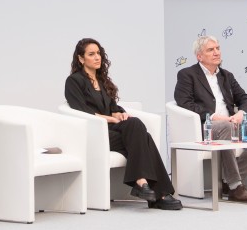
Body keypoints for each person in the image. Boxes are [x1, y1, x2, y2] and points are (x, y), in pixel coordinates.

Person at [65, 38, 182, 210]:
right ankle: (159, 193)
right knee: (144, 137)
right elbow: (81, 110)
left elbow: (112, 107)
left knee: (135, 124)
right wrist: (109, 118)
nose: (97, 57)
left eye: (98, 53)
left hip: (110, 129)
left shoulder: (102, 80)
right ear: (81, 59)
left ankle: (143, 184)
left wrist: (118, 112)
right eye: (91, 54)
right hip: (94, 132)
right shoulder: (74, 81)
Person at [174, 35, 247, 203]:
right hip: (208, 126)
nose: (216, 52)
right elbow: (184, 102)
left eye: (218, 48)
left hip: (232, 123)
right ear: (199, 56)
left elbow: (246, 99)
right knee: (224, 128)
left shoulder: (226, 76)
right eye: (211, 50)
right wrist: (211, 116)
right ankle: (236, 187)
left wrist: (241, 114)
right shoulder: (187, 74)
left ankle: (228, 182)